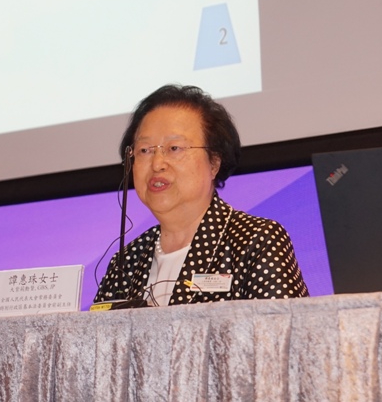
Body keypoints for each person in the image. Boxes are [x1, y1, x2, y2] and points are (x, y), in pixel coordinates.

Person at [94, 84, 308, 307]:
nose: (157, 164)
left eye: (174, 148)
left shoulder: (255, 241)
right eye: (145, 150)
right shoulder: (126, 261)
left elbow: (283, 327)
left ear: (214, 163)